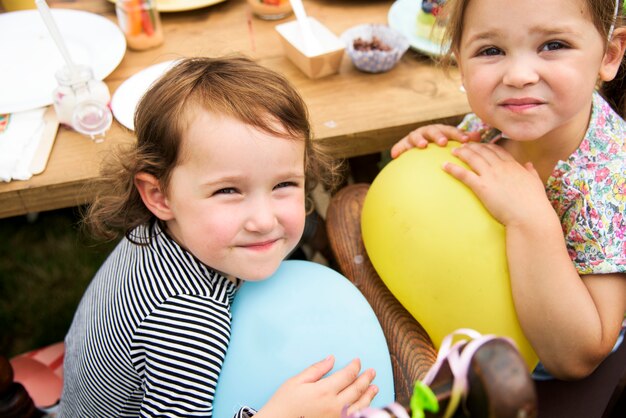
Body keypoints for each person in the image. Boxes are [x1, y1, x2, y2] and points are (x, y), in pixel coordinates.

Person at [59, 56, 378, 417]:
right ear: (159, 196)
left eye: (283, 184)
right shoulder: (187, 323)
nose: (263, 219)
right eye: (228, 191)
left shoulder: (160, 231)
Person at [391, 0, 626, 381]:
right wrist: (433, 158)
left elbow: (581, 356)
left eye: (553, 45)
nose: (518, 75)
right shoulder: (491, 125)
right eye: (491, 51)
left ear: (610, 54)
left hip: (541, 385)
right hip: (462, 342)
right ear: (459, 61)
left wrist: (531, 219)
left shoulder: (607, 180)